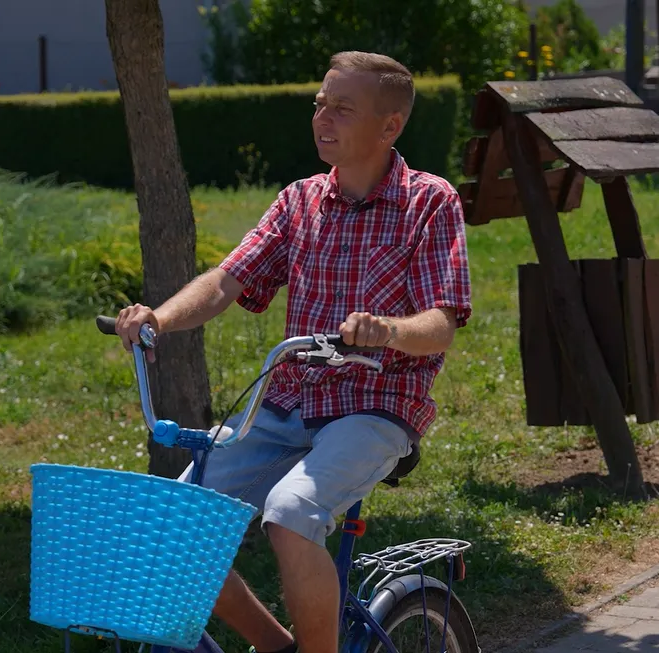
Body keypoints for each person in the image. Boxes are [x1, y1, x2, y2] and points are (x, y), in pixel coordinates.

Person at [114, 51, 472, 653]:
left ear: (390, 126)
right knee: (175, 526)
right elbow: (227, 280)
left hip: (374, 407)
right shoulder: (299, 200)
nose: (322, 118)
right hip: (284, 403)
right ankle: (278, 647)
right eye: (320, 103)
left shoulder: (429, 202)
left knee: (290, 513)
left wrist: (387, 330)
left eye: (342, 108)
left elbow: (441, 323)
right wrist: (160, 318)